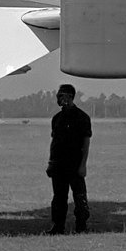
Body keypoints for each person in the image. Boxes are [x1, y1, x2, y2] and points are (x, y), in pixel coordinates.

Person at [46, 83, 92, 234]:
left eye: (60, 95)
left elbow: (86, 144)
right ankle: (57, 227)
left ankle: (81, 226)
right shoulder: (56, 118)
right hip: (58, 165)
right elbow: (55, 143)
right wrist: (51, 163)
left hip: (75, 164)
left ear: (69, 97)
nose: (58, 99)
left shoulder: (82, 118)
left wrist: (83, 165)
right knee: (59, 198)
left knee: (79, 197)